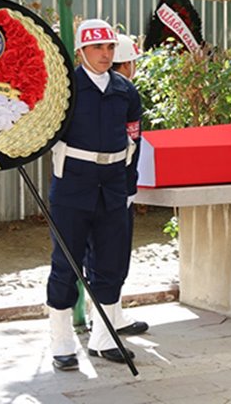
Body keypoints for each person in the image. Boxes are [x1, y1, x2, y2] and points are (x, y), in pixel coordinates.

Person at [46, 19, 143, 371]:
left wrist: (129, 186)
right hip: (73, 186)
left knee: (111, 263)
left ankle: (104, 337)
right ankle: (61, 341)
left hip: (113, 185)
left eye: (109, 47)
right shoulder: (65, 89)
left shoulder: (125, 90)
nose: (105, 54)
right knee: (66, 264)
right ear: (81, 51)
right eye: (97, 47)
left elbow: (135, 139)